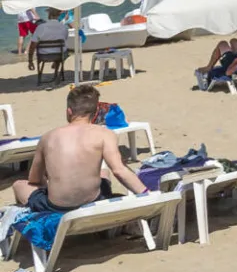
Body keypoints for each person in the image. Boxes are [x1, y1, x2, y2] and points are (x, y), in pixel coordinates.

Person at [12, 85, 149, 212]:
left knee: (19, 185)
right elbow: (119, 171)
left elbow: (34, 179)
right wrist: (146, 194)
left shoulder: (48, 137)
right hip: (94, 200)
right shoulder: (105, 134)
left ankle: (35, 220)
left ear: (69, 112)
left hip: (57, 206)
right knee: (103, 172)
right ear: (95, 113)